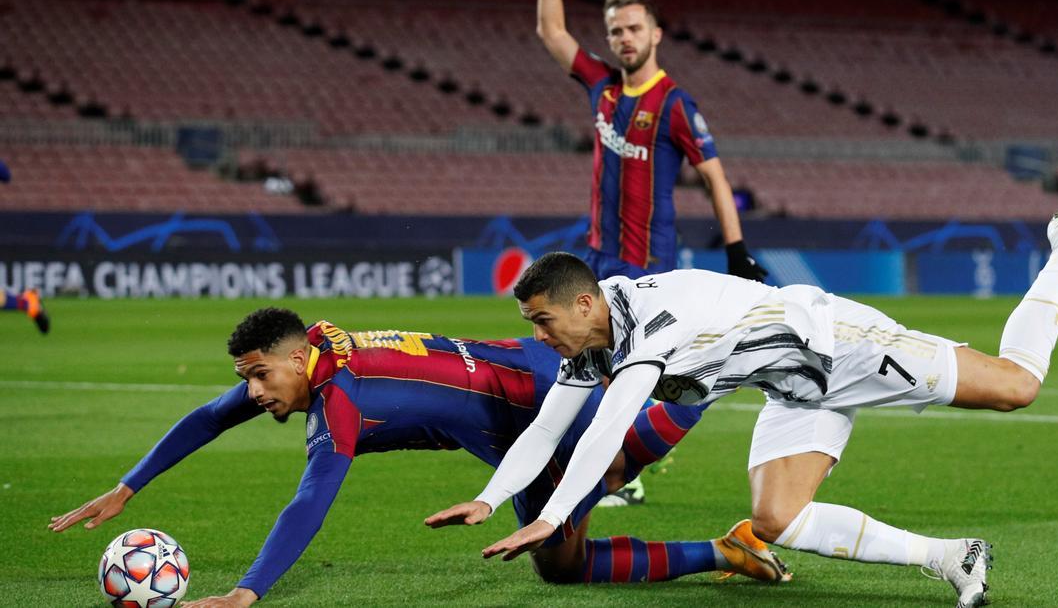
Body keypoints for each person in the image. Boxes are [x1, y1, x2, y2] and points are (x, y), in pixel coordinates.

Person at [429, 195, 1058, 607]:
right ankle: (955, 557)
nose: (538, 335)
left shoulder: (653, 322)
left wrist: (553, 516)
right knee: (777, 516)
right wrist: (493, 499)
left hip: (841, 342)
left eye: (541, 321)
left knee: (1018, 385)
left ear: (582, 303)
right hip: (792, 379)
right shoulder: (594, 337)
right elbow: (552, 425)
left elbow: (607, 428)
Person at [49, 309, 788, 607]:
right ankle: (727, 547)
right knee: (563, 560)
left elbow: (310, 498)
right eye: (248, 375)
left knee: (620, 463)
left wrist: (248, 591)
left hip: (537, 392)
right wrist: (127, 484)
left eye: (259, 375)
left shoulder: (338, 398)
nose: (250, 390)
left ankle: (721, 365)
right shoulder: (311, 367)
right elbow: (209, 416)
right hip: (504, 412)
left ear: (296, 358)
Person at [536, 0, 765, 283]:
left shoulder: (674, 104)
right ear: (609, 39)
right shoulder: (602, 84)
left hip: (647, 265)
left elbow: (714, 177)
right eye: (616, 31)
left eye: (634, 28)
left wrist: (736, 250)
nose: (625, 37)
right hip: (596, 255)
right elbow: (551, 31)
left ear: (655, 34)